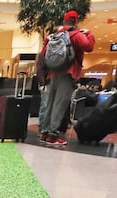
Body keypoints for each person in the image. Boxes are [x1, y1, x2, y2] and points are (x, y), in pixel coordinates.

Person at [39, 10, 95, 148]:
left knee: (50, 104)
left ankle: (45, 133)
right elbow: (89, 47)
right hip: (68, 73)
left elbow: (44, 53)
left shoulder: (54, 36)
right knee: (60, 105)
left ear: (64, 20)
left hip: (53, 73)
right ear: (75, 22)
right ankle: (53, 135)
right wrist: (89, 33)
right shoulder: (76, 35)